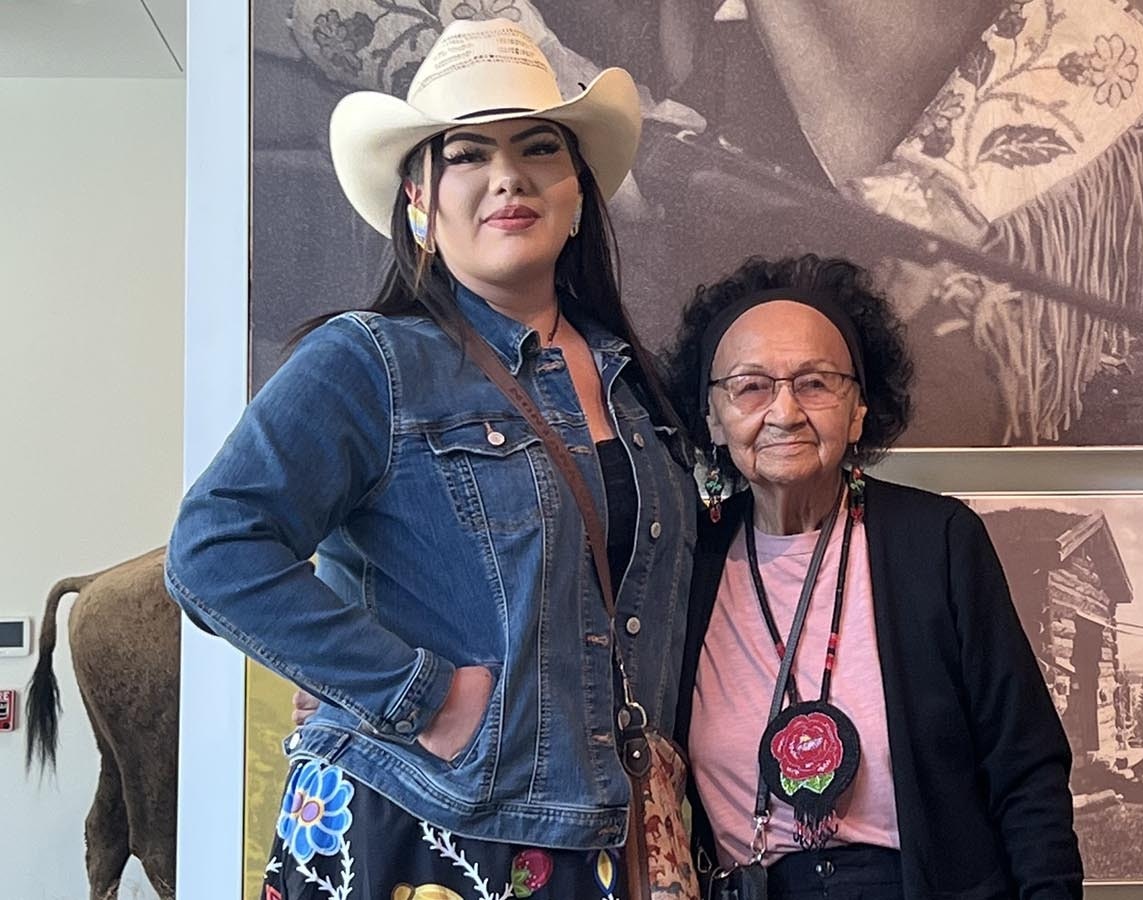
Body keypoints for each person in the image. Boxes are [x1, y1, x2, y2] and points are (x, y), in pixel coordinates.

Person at [165, 19, 698, 899]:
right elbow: (213, 549)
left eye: (537, 149)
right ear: (419, 198)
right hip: (424, 827)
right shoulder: (369, 361)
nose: (506, 177)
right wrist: (415, 693)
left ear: (576, 197)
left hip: (616, 832)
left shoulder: (637, 386)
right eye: (466, 155)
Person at [664, 255, 1085, 899]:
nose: (783, 412)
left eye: (815, 383)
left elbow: (1025, 769)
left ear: (859, 408)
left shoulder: (937, 542)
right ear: (713, 419)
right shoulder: (684, 563)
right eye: (750, 386)